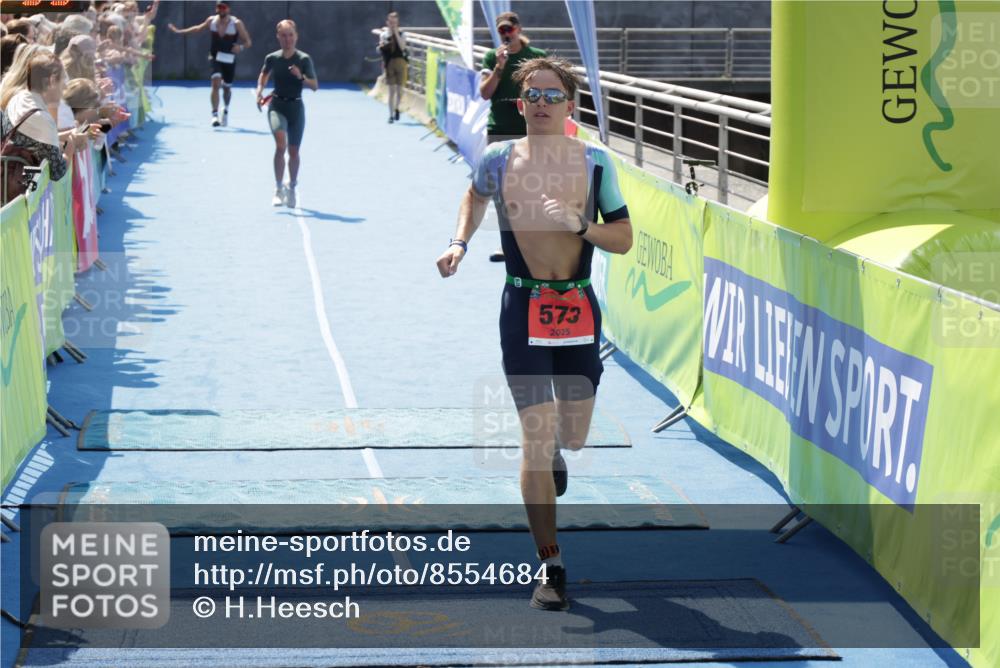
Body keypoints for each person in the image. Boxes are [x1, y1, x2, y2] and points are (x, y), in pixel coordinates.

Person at [436, 57, 633, 611]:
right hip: (522, 306)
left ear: (570, 105)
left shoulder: (596, 162)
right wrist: (459, 244)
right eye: (534, 97)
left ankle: (557, 456)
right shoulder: (499, 158)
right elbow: (474, 195)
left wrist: (581, 226)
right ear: (520, 105)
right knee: (535, 438)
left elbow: (623, 238)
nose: (543, 104)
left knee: (569, 438)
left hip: (576, 308)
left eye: (553, 95)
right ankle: (551, 563)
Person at [479, 11, 547, 263]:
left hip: (530, 130)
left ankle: (534, 244)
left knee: (533, 188)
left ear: (518, 28)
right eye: (502, 31)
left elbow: (550, 88)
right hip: (500, 130)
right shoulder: (491, 57)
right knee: (505, 192)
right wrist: (499, 68)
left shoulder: (536, 57)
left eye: (510, 29)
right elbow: (485, 94)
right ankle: (507, 245)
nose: (507, 35)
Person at [255, 19, 316, 208]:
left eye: (290, 35)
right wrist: (259, 91)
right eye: (283, 35)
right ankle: (278, 188)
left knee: (294, 151)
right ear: (278, 37)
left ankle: (292, 187)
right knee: (281, 145)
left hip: (296, 108)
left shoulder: (304, 59)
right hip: (277, 106)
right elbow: (263, 76)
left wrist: (301, 76)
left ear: (296, 36)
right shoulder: (272, 58)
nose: (287, 39)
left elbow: (314, 86)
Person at [167, 1, 251, 127]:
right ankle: (214, 115)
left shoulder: (236, 23)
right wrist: (179, 31)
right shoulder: (212, 21)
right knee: (215, 83)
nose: (220, 10)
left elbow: (248, 42)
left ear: (228, 9)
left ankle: (225, 110)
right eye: (218, 7)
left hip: (229, 59)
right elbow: (197, 29)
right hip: (215, 57)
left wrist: (240, 47)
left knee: (227, 88)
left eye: (223, 7)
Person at [377, 11, 407, 124]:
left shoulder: (402, 34)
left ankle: (397, 108)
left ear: (398, 23)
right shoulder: (384, 34)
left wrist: (396, 33)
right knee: (391, 91)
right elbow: (381, 47)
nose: (392, 24)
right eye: (390, 22)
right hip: (389, 64)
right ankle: (390, 115)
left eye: (394, 22)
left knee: (400, 91)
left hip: (401, 62)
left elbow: (403, 47)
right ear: (387, 22)